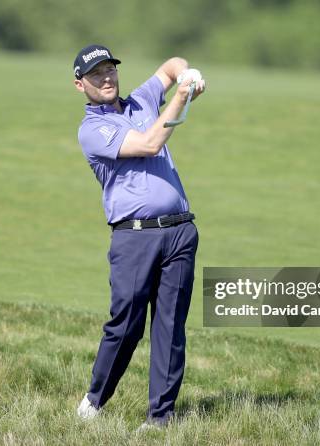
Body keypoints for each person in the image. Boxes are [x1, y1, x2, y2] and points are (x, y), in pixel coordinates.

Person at [72, 44, 206, 428]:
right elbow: (149, 143)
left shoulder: (142, 100)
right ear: (81, 84)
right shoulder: (93, 130)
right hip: (134, 238)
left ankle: (159, 418)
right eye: (96, 74)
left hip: (180, 231)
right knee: (126, 323)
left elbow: (170, 66)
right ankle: (95, 400)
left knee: (169, 328)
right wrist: (180, 99)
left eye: (110, 69)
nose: (107, 78)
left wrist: (186, 74)